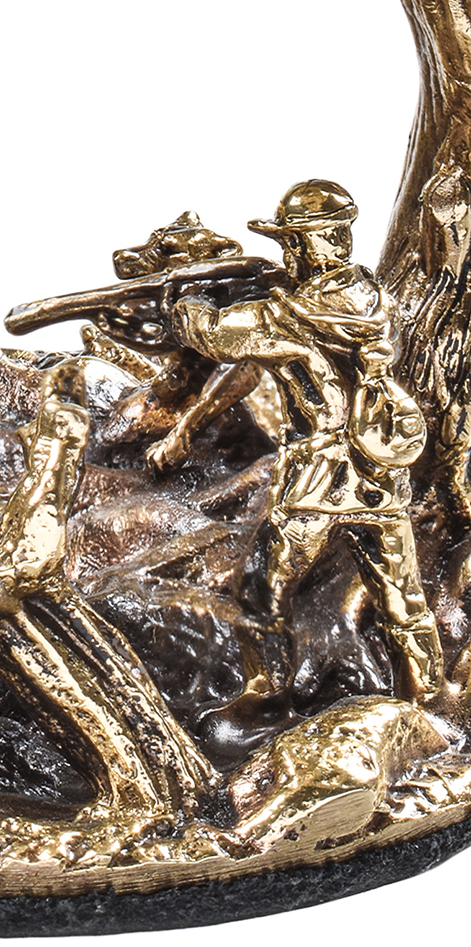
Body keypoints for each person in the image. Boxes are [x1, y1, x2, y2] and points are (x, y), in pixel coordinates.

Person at [171, 180, 444, 705]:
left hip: (318, 481)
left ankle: (266, 697)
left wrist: (186, 294)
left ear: (316, 243)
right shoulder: (378, 302)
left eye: (293, 242)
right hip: (381, 474)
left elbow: (212, 334)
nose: (288, 254)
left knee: (260, 585)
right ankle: (425, 696)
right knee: (404, 599)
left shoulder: (290, 316)